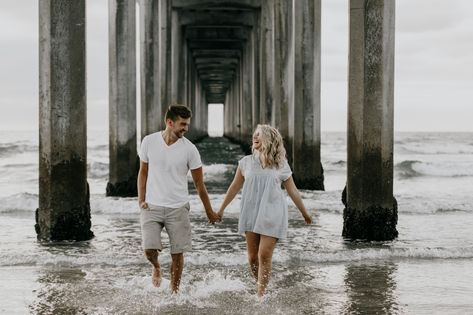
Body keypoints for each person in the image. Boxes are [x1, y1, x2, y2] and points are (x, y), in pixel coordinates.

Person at [217, 124, 313, 297]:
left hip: (273, 212)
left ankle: (260, 295)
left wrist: (304, 213)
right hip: (251, 211)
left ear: (269, 139)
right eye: (254, 134)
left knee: (264, 255)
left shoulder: (280, 164)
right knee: (252, 258)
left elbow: (293, 191)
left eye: (259, 135)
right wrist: (221, 209)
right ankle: (262, 285)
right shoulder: (245, 162)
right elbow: (234, 187)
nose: (254, 137)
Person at [137, 104, 220, 294]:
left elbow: (200, 184)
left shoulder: (190, 150)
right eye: (182, 124)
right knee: (149, 250)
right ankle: (156, 267)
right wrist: (141, 199)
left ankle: (174, 292)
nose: (186, 128)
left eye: (187, 124)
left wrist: (210, 212)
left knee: (177, 253)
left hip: (178, 207)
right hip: (152, 205)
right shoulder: (149, 141)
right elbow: (143, 172)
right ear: (169, 122)